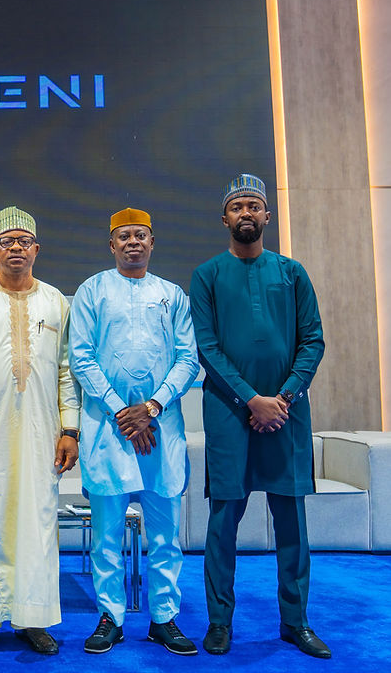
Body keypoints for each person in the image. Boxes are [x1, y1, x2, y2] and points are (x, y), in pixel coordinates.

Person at [190, 174, 329, 659]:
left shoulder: (293, 273)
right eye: (236, 207)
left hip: (287, 415)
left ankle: (296, 623)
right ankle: (219, 623)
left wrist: (282, 399)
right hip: (230, 415)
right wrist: (252, 400)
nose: (245, 213)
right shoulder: (206, 275)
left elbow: (313, 341)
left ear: (267, 216)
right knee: (223, 520)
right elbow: (206, 347)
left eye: (254, 206)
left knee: (291, 521)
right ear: (224, 218)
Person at [69, 208, 199, 656]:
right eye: (123, 236)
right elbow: (81, 358)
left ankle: (164, 618)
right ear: (111, 244)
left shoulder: (172, 294)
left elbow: (188, 358)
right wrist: (123, 411)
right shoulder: (92, 291)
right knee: (106, 534)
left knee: (164, 535)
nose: (132, 243)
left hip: (160, 426)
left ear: (152, 241)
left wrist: (152, 407)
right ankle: (112, 617)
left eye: (140, 235)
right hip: (109, 428)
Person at [0, 206, 80, 656]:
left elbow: (67, 370)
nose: (16, 249)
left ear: (36, 250)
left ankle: (33, 618)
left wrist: (71, 430)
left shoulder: (56, 302)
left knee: (38, 522)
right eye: (7, 242)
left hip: (43, 435)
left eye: (24, 242)